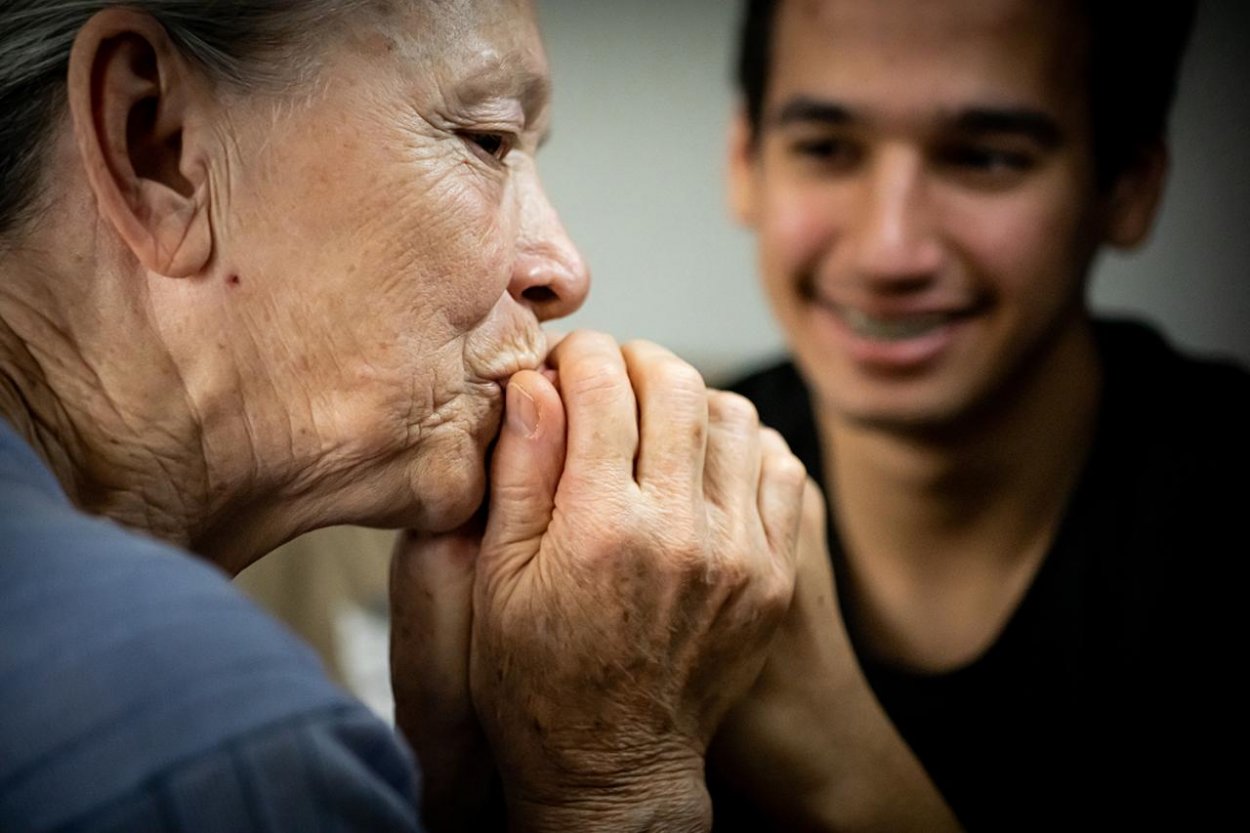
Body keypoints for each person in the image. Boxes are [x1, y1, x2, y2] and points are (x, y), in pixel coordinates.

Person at [0, 1, 810, 831]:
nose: (564, 270)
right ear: (158, 146)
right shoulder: (209, 740)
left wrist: (450, 792)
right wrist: (612, 784)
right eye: (488, 140)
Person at [706, 0, 1248, 829]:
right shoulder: (668, 503)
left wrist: (839, 771)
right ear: (746, 162)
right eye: (826, 148)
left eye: (985, 159)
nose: (889, 252)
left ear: (1130, 186)